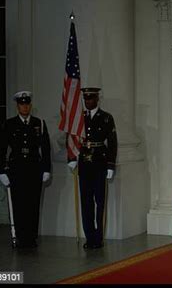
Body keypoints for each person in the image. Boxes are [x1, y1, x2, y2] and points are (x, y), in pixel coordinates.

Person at [0, 91, 51, 248]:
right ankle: (20, 236)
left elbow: (45, 147)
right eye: (22, 104)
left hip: (34, 168)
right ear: (17, 106)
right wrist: (1, 170)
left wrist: (46, 168)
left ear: (30, 105)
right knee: (19, 203)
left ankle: (31, 237)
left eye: (27, 104)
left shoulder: (38, 123)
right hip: (17, 169)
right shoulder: (9, 124)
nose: (25, 107)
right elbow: (1, 148)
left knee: (33, 204)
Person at [67, 87, 118, 249]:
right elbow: (72, 137)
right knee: (86, 201)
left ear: (97, 99)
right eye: (86, 99)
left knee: (100, 201)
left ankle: (98, 237)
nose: (88, 102)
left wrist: (111, 165)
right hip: (84, 162)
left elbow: (112, 142)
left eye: (91, 99)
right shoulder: (79, 118)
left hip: (100, 162)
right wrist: (72, 158)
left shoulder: (106, 118)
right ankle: (89, 236)